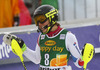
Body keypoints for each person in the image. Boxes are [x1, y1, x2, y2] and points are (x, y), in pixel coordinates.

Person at [3, 5, 84, 70]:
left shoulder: (68, 36)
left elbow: (78, 63)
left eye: (42, 19)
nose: (39, 24)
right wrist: (23, 48)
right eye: (36, 21)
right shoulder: (42, 36)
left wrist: (84, 57)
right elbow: (36, 59)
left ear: (52, 18)